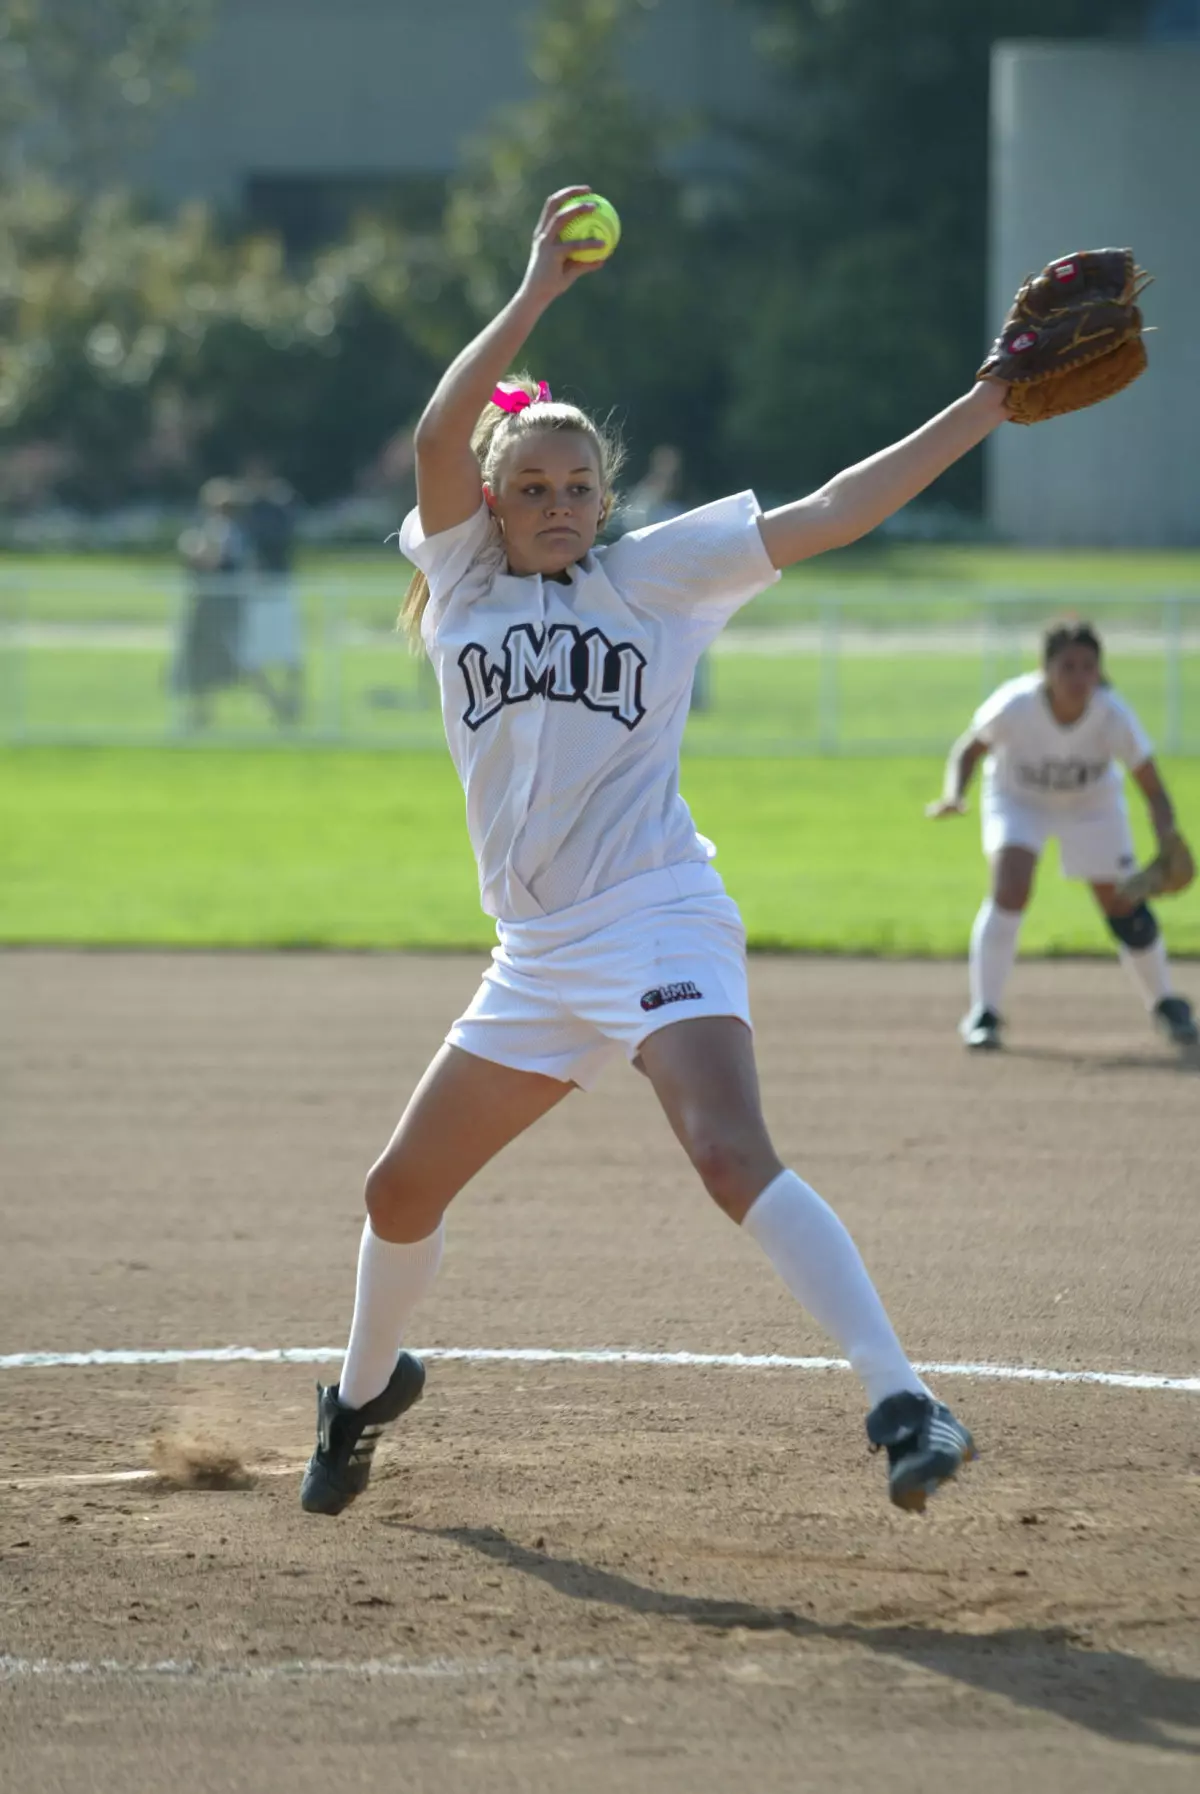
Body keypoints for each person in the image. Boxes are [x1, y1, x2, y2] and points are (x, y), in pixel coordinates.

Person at [300, 184, 1023, 1524]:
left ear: (605, 497)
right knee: (397, 1189)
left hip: (659, 912)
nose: (561, 501)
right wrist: (533, 295)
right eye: (536, 485)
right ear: (497, 503)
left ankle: (904, 1398)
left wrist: (989, 400)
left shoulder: (658, 577)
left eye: (581, 485)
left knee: (728, 1149)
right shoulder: (463, 580)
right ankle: (357, 1396)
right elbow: (437, 433)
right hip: (536, 955)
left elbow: (834, 507)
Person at [928, 621, 1197, 1051]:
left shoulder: (1113, 714)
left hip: (1092, 806)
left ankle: (1166, 1002)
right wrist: (954, 794)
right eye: (1067, 666)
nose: (1078, 677)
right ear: (1045, 669)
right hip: (1019, 800)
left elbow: (1152, 787)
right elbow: (971, 748)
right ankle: (984, 1011)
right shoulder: (1016, 704)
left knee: (1124, 904)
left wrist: (1167, 836)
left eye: (1088, 666)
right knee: (1011, 886)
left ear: (1099, 671)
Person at [173, 478, 248, 731]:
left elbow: (211, 563)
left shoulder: (221, 530)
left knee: (222, 661)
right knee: (210, 662)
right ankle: (201, 714)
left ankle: (278, 706)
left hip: (216, 607)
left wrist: (191, 550)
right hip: (219, 606)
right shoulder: (230, 531)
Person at [237, 455, 304, 725]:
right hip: (256, 589)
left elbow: (280, 540)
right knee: (250, 657)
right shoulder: (248, 508)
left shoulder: (279, 507)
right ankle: (276, 704)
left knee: (289, 653)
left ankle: (290, 704)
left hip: (277, 587)